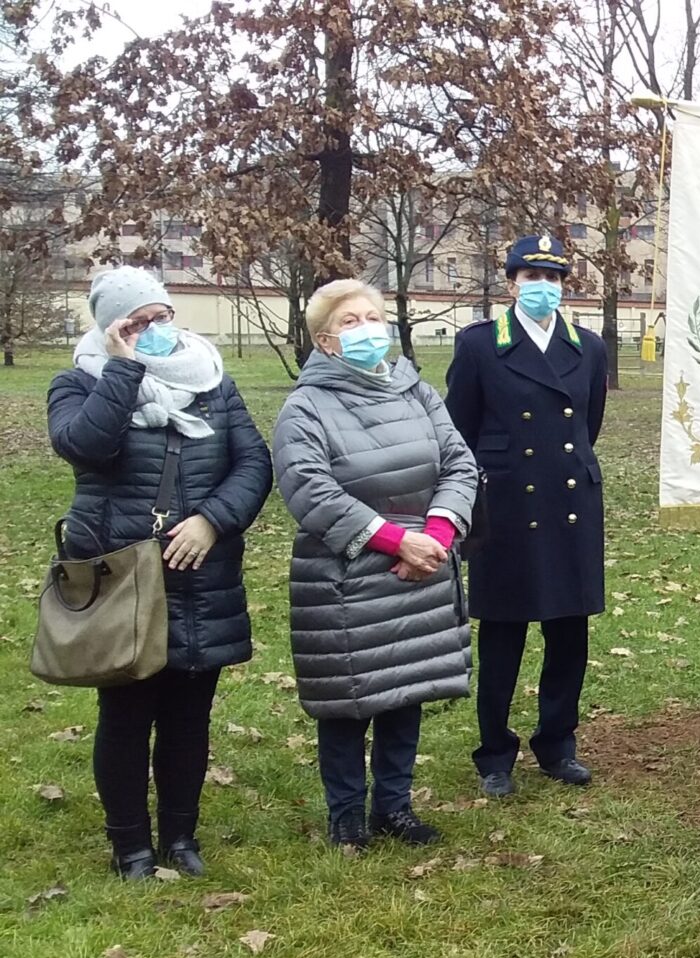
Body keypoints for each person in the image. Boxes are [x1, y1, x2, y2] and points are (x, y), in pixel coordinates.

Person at [47, 267, 272, 879]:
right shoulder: (77, 383)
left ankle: (179, 836)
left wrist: (212, 522)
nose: (150, 330)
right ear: (110, 327)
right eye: (134, 322)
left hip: (200, 571)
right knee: (125, 714)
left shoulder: (212, 382)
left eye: (158, 317)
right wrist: (123, 367)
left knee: (187, 713)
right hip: (120, 575)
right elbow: (85, 446)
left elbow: (253, 463)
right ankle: (131, 847)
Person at [273, 280, 479, 850]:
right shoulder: (306, 406)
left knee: (405, 686)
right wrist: (393, 541)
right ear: (326, 340)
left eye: (373, 316)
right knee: (348, 698)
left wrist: (435, 534)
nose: (367, 328)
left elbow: (459, 464)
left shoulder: (416, 391)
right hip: (349, 574)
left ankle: (395, 806)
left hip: (424, 563)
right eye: (350, 321)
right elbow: (308, 489)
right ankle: (346, 817)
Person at [444, 235, 609, 798]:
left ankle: (558, 744)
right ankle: (495, 753)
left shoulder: (588, 346)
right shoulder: (480, 345)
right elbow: (459, 430)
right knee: (503, 634)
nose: (543, 287)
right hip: (509, 505)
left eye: (554, 278)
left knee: (569, 632)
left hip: (569, 504)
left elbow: (588, 424)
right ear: (511, 281)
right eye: (531, 276)